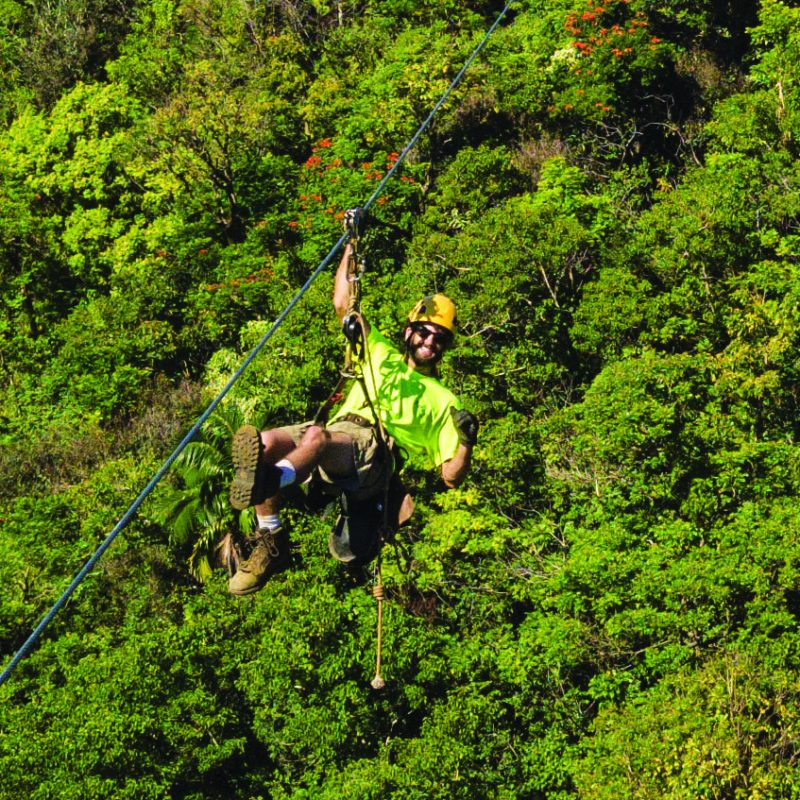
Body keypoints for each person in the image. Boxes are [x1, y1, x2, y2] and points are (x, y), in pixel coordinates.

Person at [226, 241, 479, 595]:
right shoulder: (377, 350)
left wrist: (466, 442)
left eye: (440, 338)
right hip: (338, 431)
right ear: (409, 331)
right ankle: (272, 540)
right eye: (424, 331)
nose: (430, 341)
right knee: (264, 443)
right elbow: (343, 304)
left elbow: (451, 476)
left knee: (317, 440)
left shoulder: (444, 399)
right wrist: (352, 243)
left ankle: (269, 482)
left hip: (376, 455)